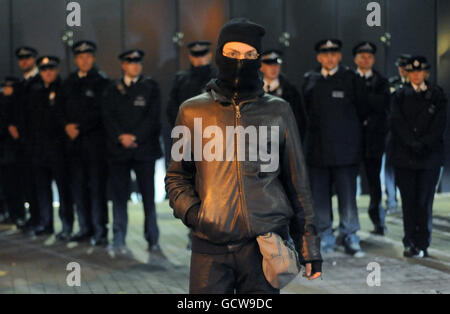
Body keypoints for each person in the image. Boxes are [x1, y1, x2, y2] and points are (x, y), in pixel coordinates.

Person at [165, 18, 322, 294]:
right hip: (210, 247)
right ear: (219, 55)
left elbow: (298, 182)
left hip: (265, 247)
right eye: (233, 54)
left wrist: (309, 246)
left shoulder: (279, 111)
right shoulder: (191, 112)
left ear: (258, 59)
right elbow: (177, 175)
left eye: (250, 55)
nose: (241, 61)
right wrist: (196, 215)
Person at [302, 39, 364, 257]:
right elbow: (304, 116)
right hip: (318, 152)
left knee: (348, 198)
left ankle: (350, 236)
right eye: (325, 54)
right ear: (319, 57)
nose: (329, 58)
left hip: (345, 152)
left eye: (333, 53)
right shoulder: (310, 81)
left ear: (339, 56)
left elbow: (363, 112)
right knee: (319, 199)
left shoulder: (351, 79)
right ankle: (325, 236)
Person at [103, 49, 163, 253]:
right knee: (119, 197)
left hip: (144, 150)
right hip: (118, 151)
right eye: (130, 62)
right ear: (123, 65)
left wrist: (135, 137)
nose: (135, 65)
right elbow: (107, 117)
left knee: (148, 196)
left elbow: (153, 118)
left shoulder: (150, 87)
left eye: (138, 61)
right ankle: (118, 237)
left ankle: (152, 238)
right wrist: (121, 137)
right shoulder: (112, 88)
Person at [390, 56, 447, 258]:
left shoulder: (437, 95)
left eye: (419, 71)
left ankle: (423, 242)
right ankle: (410, 242)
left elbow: (439, 125)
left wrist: (423, 144)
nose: (415, 75)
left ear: (426, 73)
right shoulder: (399, 95)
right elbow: (396, 122)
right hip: (405, 157)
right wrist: (411, 143)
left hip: (429, 157)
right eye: (412, 71)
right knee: (409, 202)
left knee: (424, 202)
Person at [59, 41, 110, 245]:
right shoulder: (69, 81)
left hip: (95, 145)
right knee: (78, 188)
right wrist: (66, 126)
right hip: (74, 147)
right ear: (76, 59)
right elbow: (59, 108)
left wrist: (78, 127)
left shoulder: (102, 81)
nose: (84, 60)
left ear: (94, 58)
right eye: (80, 57)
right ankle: (84, 228)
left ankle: (100, 230)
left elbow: (101, 112)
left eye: (88, 56)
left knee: (97, 189)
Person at [24, 56, 73, 238]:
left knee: (63, 190)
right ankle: (46, 224)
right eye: (44, 70)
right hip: (40, 151)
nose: (48, 72)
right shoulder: (35, 91)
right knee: (42, 190)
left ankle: (67, 225)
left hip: (59, 150)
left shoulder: (65, 89)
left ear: (57, 70)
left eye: (51, 69)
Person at [353, 42, 390, 235]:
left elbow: (383, 105)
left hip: (374, 142)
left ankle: (378, 221)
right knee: (349, 183)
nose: (366, 59)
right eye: (362, 56)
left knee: (375, 184)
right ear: (356, 59)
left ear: (373, 59)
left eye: (369, 56)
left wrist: (365, 102)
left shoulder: (381, 81)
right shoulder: (349, 79)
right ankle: (349, 223)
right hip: (352, 141)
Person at [13, 46, 41, 231]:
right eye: (21, 58)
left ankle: (42, 220)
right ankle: (33, 218)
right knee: (27, 182)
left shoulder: (42, 81)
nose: (24, 61)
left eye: (28, 58)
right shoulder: (19, 84)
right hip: (22, 142)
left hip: (40, 142)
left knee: (41, 183)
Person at [260, 49, 308, 141]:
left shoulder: (291, 92)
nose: (274, 68)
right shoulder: (254, 91)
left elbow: (301, 122)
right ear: (261, 66)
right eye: (269, 64)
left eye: (277, 64)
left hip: (283, 144)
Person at [167, 41, 217, 128]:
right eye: (196, 55)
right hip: (187, 128)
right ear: (190, 57)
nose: (200, 58)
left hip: (214, 128)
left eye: (203, 54)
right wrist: (181, 127)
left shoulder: (218, 77)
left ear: (209, 55)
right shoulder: (181, 78)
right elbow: (172, 107)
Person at [385, 54, 411, 214]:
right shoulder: (392, 83)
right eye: (401, 67)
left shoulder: (417, 84)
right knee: (389, 168)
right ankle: (392, 201)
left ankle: (407, 200)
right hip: (392, 132)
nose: (402, 70)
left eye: (405, 67)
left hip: (409, 133)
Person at [0, 76, 22, 227]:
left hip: (13, 151)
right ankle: (6, 212)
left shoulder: (16, 102)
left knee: (15, 184)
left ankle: (17, 213)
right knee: (5, 185)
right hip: (4, 149)